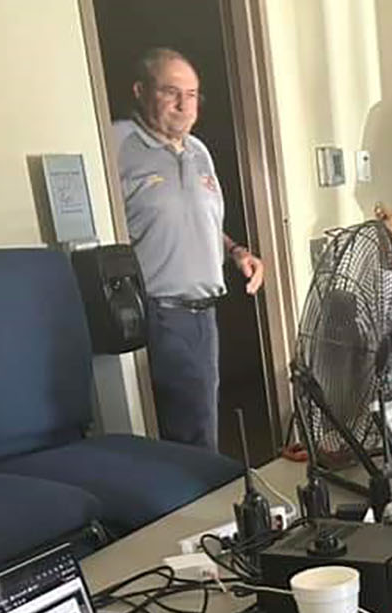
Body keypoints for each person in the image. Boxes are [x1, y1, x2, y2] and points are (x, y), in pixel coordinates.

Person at [114, 47, 264, 451]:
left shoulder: (197, 150)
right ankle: (199, 511)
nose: (184, 105)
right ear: (141, 91)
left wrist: (236, 252)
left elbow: (203, 221)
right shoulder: (115, 144)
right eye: (170, 92)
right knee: (187, 439)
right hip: (158, 314)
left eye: (193, 94)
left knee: (201, 427)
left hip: (203, 315)